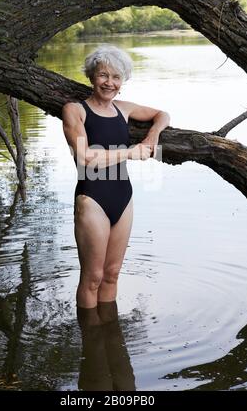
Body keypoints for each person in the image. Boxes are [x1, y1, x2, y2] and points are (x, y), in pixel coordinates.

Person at [62, 44, 170, 311]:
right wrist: (130, 153)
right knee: (93, 278)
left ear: (122, 82)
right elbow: (85, 157)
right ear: (91, 76)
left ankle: (110, 336)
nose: (109, 82)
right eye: (103, 75)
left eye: (116, 77)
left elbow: (162, 115)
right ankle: (91, 338)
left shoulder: (123, 109)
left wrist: (152, 135)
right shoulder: (75, 110)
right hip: (92, 198)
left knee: (111, 274)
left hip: (123, 197)